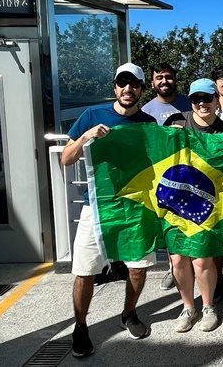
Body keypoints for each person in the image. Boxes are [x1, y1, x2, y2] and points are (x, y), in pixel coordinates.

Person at [61, 63, 157, 357]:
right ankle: (80, 326)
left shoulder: (148, 123)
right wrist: (86, 135)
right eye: (122, 83)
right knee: (85, 271)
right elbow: (66, 158)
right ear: (114, 87)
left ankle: (129, 313)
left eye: (134, 84)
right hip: (97, 206)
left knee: (139, 269)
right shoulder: (92, 116)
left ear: (142, 89)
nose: (128, 89)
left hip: (135, 205)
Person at [163, 79, 223, 333]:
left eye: (207, 98)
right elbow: (157, 150)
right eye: (196, 99)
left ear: (217, 100)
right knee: (179, 259)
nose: (202, 103)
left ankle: (209, 307)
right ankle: (187, 307)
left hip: (207, 206)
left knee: (203, 260)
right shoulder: (175, 123)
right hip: (175, 203)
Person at [140, 62, 192, 292]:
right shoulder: (147, 111)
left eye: (168, 77)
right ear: (152, 82)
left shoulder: (189, 103)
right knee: (169, 226)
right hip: (163, 178)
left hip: (190, 175)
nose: (164, 81)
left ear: (175, 79)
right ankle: (174, 269)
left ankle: (192, 266)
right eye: (159, 77)